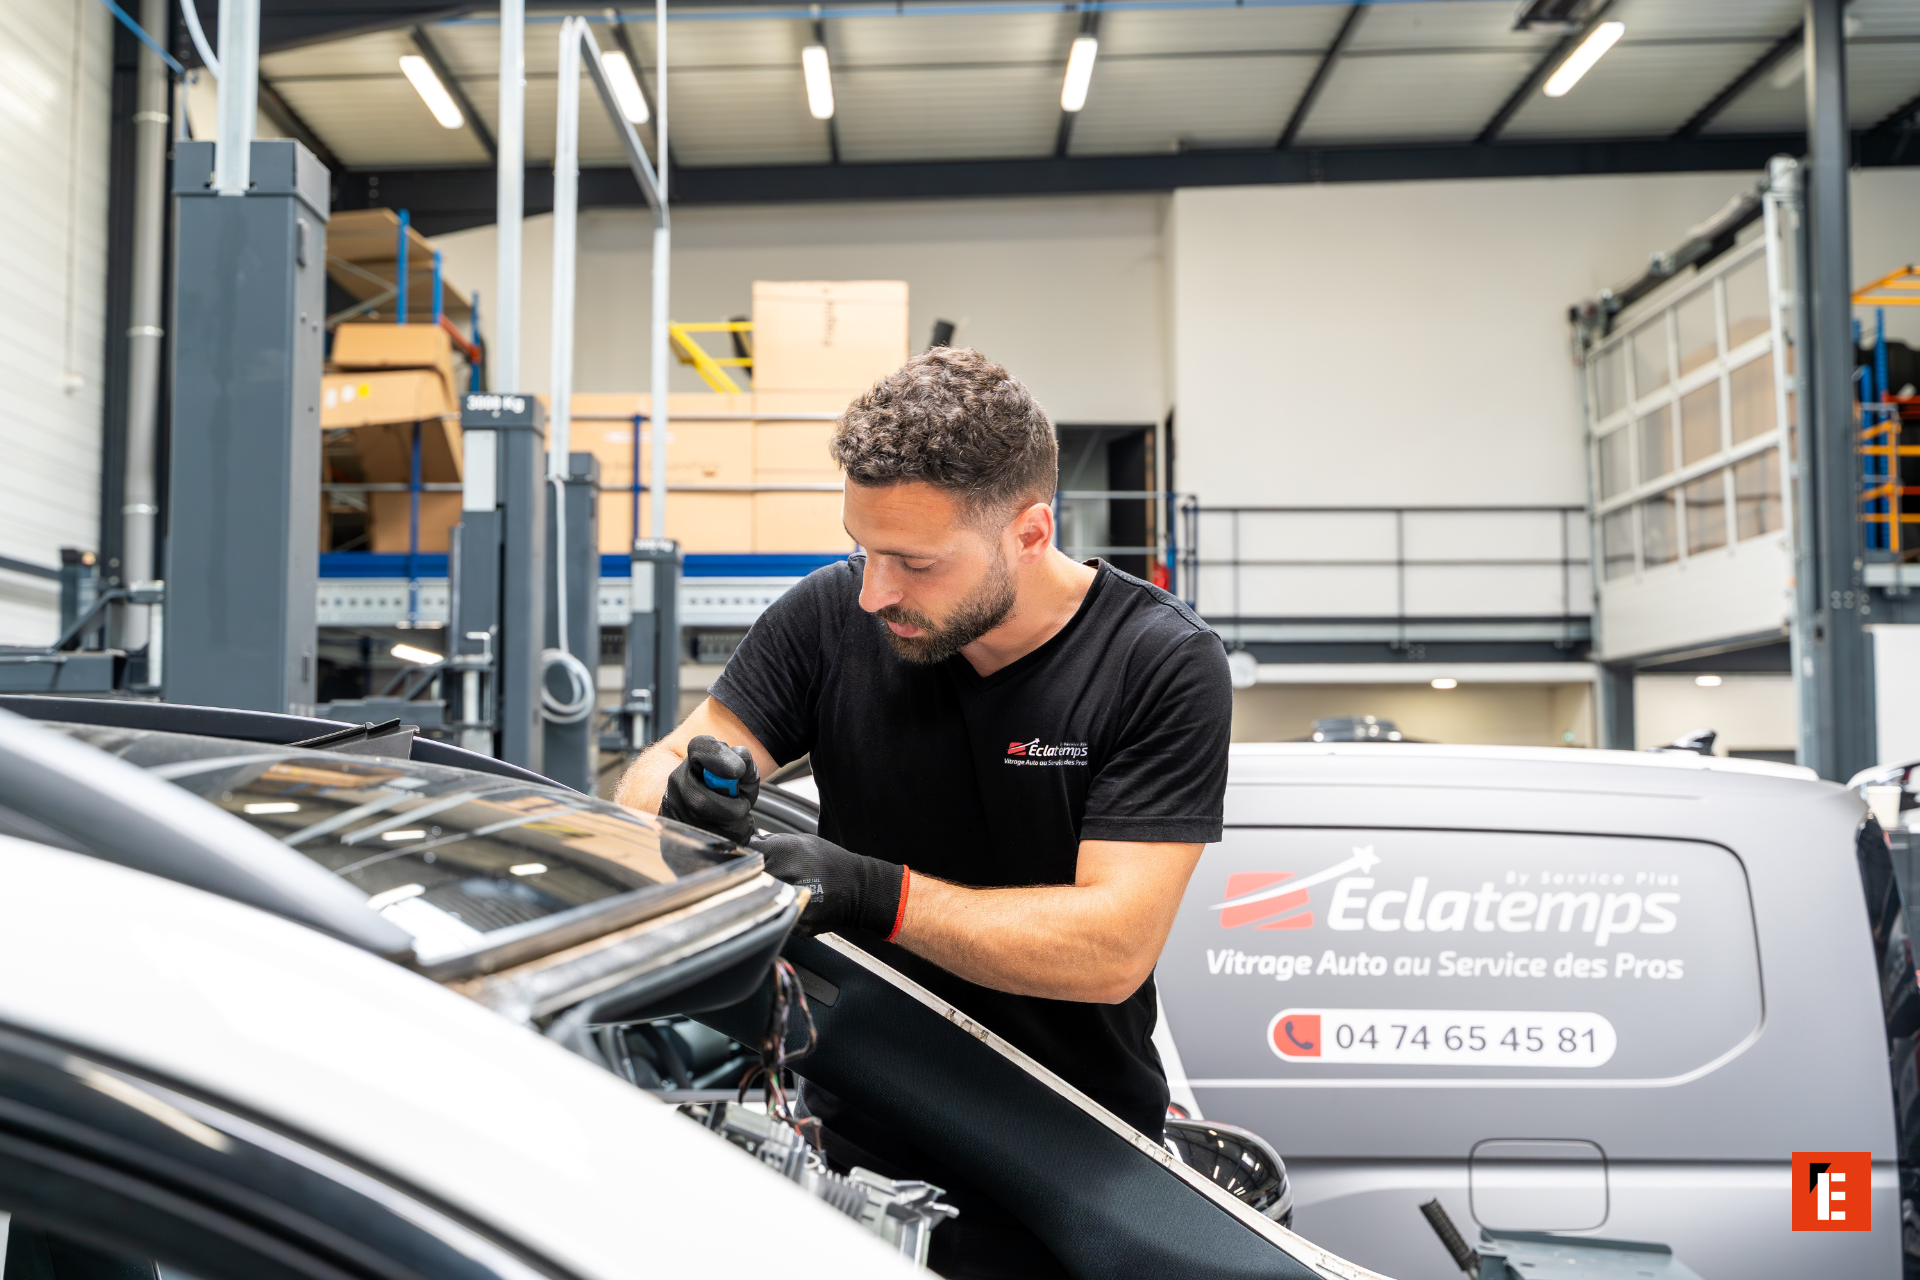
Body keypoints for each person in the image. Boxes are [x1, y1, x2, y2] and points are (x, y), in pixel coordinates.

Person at [614, 347, 1231, 1278]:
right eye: (865, 550)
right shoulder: (829, 618)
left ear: (1029, 532)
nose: (876, 592)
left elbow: (1111, 948)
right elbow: (650, 776)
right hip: (856, 1151)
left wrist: (875, 894)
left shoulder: (1156, 662)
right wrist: (681, 797)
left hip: (1071, 1171)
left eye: (915, 562)